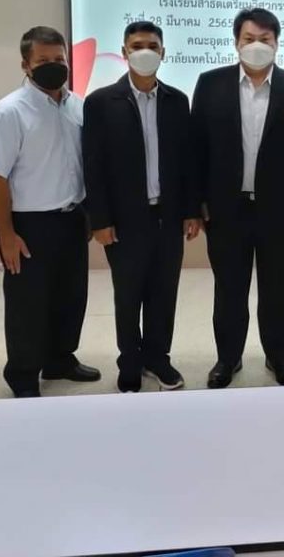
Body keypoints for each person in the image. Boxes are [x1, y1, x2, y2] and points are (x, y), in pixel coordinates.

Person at [192, 8, 284, 388]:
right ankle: (227, 359)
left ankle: (278, 357)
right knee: (229, 289)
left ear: (277, 44)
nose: (256, 46)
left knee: (278, 290)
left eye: (265, 39)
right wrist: (195, 203)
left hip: (280, 211)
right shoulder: (210, 84)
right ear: (236, 43)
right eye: (249, 39)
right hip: (225, 210)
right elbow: (196, 149)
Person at [83, 21, 202, 394]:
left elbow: (187, 162)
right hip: (123, 220)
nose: (145, 52)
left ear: (163, 52)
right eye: (137, 46)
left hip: (168, 216)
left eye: (152, 45)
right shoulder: (101, 103)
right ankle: (130, 362)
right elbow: (93, 166)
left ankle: (158, 358)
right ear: (124, 52)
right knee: (128, 294)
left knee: (163, 294)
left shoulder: (177, 101)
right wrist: (100, 219)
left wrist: (191, 210)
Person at [0, 25, 99, 397]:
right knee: (27, 304)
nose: (53, 65)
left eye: (59, 59)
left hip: (72, 218)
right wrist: (6, 234)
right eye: (43, 60)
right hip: (29, 225)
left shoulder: (78, 105)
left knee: (70, 296)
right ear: (25, 65)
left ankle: (60, 359)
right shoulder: (9, 112)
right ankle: (22, 373)